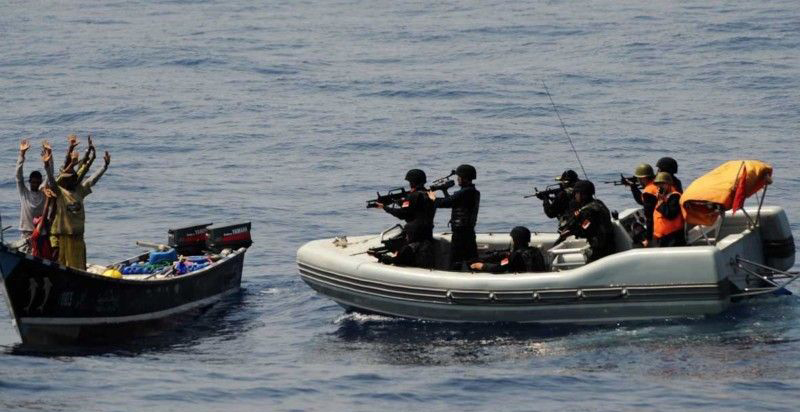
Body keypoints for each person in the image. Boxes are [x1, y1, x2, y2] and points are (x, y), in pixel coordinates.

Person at [43, 139, 111, 270]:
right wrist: (46, 166)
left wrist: (104, 166)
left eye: (72, 178)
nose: (70, 181)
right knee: (65, 264)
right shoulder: (60, 193)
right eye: (67, 179)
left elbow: (92, 180)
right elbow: (52, 181)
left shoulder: (80, 191)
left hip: (78, 235)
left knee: (79, 266)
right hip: (65, 236)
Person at [429, 164, 480, 270]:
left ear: (465, 178)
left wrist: (433, 198)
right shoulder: (472, 192)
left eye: (459, 177)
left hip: (461, 234)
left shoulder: (465, 192)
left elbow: (445, 203)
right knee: (471, 259)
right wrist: (444, 191)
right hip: (468, 232)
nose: (457, 179)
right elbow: (453, 202)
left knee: (456, 261)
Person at [560, 180, 615, 263]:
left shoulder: (588, 211)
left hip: (600, 251)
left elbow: (584, 229)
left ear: (583, 194)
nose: (575, 195)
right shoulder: (599, 203)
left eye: (577, 193)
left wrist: (571, 232)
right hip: (610, 246)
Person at [374, 169, 435, 241]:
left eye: (410, 182)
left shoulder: (412, 195)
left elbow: (402, 214)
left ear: (413, 182)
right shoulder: (429, 194)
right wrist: (400, 202)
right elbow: (417, 208)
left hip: (415, 234)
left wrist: (384, 207)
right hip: (428, 232)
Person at [470, 226, 546, 273]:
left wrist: (481, 265)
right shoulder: (536, 251)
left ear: (516, 240)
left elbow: (498, 267)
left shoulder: (514, 256)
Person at [14, 139, 45, 252]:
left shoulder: (44, 194)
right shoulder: (24, 192)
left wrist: (48, 161)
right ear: (30, 182)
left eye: (37, 182)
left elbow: (50, 177)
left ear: (40, 182)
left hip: (41, 233)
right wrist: (22, 154)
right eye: (33, 182)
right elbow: (18, 176)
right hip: (26, 232)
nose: (35, 184)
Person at [628, 163, 659, 247]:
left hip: (658, 229)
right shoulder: (657, 185)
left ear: (644, 178)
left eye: (639, 179)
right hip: (666, 225)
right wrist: (633, 187)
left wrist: (648, 239)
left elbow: (649, 218)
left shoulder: (648, 191)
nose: (638, 181)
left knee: (636, 240)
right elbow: (643, 201)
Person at [652, 172, 686, 247]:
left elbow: (670, 214)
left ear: (669, 184)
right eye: (658, 184)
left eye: (662, 184)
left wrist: (661, 201)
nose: (659, 186)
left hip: (673, 238)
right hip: (661, 238)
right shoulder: (662, 197)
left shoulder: (675, 196)